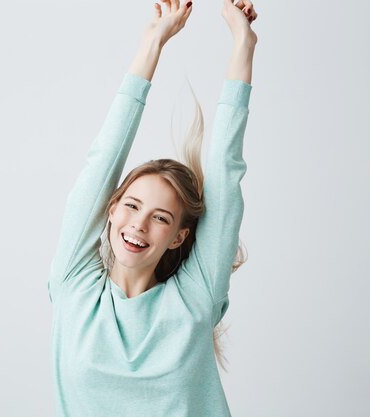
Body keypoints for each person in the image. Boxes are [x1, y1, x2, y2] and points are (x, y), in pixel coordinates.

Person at [47, 0, 258, 416]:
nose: (138, 225)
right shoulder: (75, 285)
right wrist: (153, 43)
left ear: (180, 235)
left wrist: (243, 46)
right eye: (132, 205)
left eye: (160, 217)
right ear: (110, 208)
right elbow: (102, 159)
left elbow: (225, 176)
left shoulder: (195, 297)